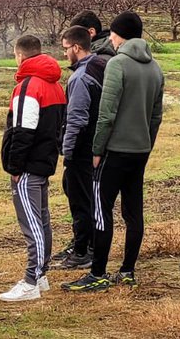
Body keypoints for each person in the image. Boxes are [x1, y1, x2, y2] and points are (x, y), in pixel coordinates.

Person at [63, 12, 164, 292]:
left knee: (101, 209)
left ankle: (97, 273)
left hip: (114, 151)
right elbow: (156, 116)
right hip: (140, 150)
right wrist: (147, 143)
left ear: (120, 35)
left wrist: (97, 149)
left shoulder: (117, 65)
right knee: (134, 212)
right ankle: (128, 270)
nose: (111, 39)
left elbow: (106, 114)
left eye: (114, 35)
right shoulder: (155, 67)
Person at [0, 36, 65, 302]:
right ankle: (41, 274)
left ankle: (30, 280)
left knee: (32, 224)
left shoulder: (28, 86)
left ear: (20, 55)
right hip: (45, 161)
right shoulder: (56, 85)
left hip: (28, 166)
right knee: (42, 219)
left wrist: (15, 165)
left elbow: (23, 130)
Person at [56, 26, 106, 271]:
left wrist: (67, 151)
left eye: (66, 48)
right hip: (99, 146)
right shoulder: (102, 66)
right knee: (91, 199)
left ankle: (80, 251)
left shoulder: (79, 78)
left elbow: (76, 119)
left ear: (76, 47)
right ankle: (92, 245)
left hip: (81, 149)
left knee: (79, 201)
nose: (64, 54)